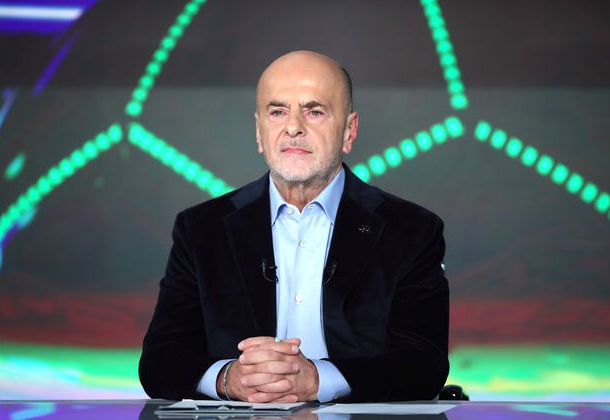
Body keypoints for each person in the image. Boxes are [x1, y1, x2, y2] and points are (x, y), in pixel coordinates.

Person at [139, 50, 449, 403]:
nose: (293, 127)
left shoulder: (411, 231)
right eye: (277, 112)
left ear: (349, 131)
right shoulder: (201, 230)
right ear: (259, 132)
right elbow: (160, 360)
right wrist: (230, 379)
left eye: (314, 111)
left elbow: (424, 363)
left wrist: (318, 380)